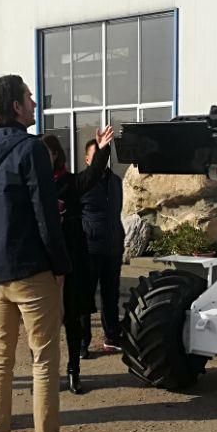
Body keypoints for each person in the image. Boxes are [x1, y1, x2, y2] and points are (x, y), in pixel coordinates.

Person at [0, 74, 84, 432]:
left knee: (1, 356)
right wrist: (61, 265)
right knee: (44, 357)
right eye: (29, 99)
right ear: (16, 107)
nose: (35, 104)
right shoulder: (31, 149)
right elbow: (45, 214)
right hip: (31, 270)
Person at [42, 126, 114, 395]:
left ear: (57, 156)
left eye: (47, 153)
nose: (43, 158)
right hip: (43, 264)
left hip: (72, 260)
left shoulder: (67, 182)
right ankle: (47, 374)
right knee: (43, 323)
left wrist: (102, 149)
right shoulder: (33, 185)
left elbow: (93, 175)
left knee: (73, 318)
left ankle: (74, 370)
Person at [80, 138, 126, 356]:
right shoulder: (82, 183)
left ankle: (111, 337)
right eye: (95, 154)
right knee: (85, 298)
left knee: (111, 295)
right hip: (89, 248)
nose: (100, 158)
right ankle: (82, 343)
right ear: (87, 159)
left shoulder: (116, 181)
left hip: (113, 247)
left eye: (103, 154)